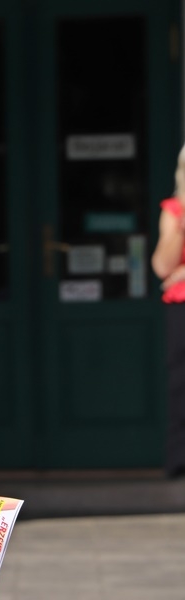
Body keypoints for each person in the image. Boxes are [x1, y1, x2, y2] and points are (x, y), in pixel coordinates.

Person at [151, 143, 185, 478]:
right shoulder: (174, 210)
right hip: (181, 304)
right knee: (180, 381)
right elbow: (162, 266)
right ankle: (179, 459)